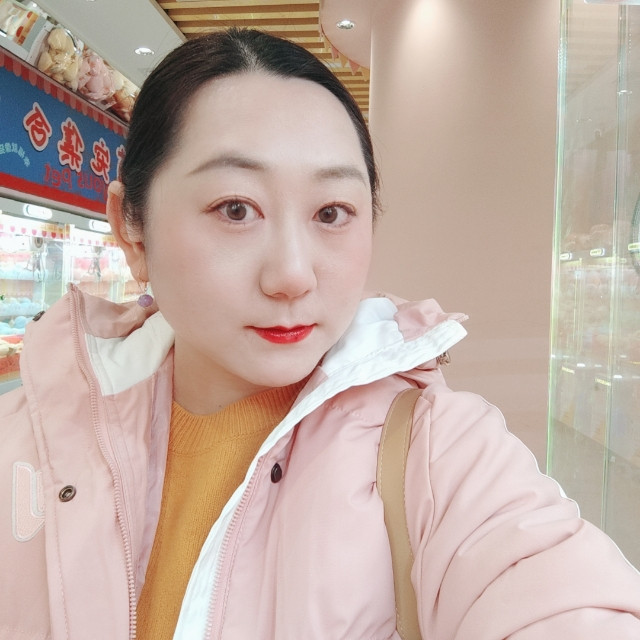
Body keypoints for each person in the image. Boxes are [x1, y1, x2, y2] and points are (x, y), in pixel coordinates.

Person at [1, 28, 639, 640]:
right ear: (132, 229)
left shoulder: (436, 453)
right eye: (235, 209)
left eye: (332, 213)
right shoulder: (28, 440)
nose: (292, 275)